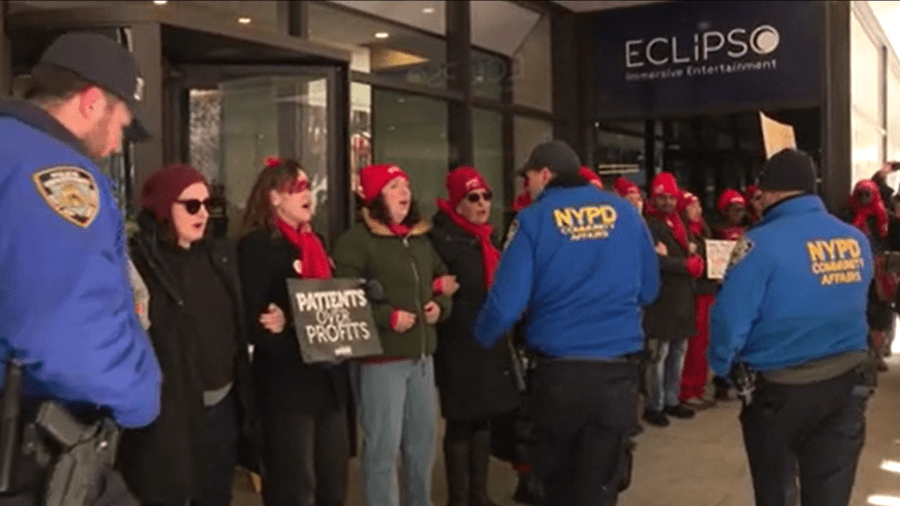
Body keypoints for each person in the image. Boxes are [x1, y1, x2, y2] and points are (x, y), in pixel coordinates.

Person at [0, 31, 162, 501]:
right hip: (28, 448)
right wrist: (140, 393)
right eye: (122, 123)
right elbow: (68, 328)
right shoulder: (54, 172)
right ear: (92, 102)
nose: (115, 145)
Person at [474, 140, 660, 506]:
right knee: (601, 484)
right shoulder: (626, 214)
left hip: (559, 378)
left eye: (528, 177)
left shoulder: (532, 220)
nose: (526, 186)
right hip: (618, 375)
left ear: (545, 175)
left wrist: (479, 339)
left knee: (559, 487)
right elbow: (650, 290)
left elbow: (505, 304)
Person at [709, 149, 874, 506]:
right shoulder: (855, 240)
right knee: (830, 489)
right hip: (847, 384)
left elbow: (729, 318)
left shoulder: (760, 244)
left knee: (777, 489)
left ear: (771, 191)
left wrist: (721, 366)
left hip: (781, 391)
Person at [119, 164, 258, 506]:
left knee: (215, 494)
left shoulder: (218, 255)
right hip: (171, 409)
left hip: (222, 405)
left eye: (207, 205)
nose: (203, 214)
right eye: (192, 205)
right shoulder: (140, 264)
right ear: (166, 208)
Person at [333, 164, 454, 506]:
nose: (404, 192)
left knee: (421, 445)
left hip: (421, 358)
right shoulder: (355, 243)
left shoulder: (418, 239)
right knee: (383, 449)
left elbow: (444, 280)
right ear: (374, 198)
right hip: (381, 360)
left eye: (405, 185)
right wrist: (387, 316)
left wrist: (438, 306)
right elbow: (343, 300)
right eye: (393, 186)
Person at [236, 158, 352, 506]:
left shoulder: (314, 243)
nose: (308, 195)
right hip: (287, 384)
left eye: (309, 188)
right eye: (297, 189)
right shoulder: (258, 246)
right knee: (294, 485)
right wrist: (287, 324)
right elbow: (253, 317)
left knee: (333, 481)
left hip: (328, 379)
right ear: (274, 198)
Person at [427, 166, 519, 506]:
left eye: (486, 196)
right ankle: (459, 497)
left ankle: (479, 494)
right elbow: (434, 282)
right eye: (473, 197)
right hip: (459, 341)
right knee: (461, 421)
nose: (482, 204)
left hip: (489, 338)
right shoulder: (441, 239)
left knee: (484, 419)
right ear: (457, 202)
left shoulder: (485, 236)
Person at [641, 172, 703, 427]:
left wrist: (691, 260)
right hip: (661, 299)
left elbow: (690, 248)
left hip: (682, 298)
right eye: (661, 197)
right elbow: (655, 259)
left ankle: (671, 399)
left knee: (678, 352)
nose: (667, 201)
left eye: (670, 196)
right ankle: (654, 405)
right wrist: (685, 264)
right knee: (659, 356)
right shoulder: (648, 225)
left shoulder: (680, 222)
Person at [677, 192, 717, 409]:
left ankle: (698, 386)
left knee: (703, 342)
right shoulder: (684, 233)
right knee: (694, 343)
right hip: (695, 292)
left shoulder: (703, 230)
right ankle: (687, 388)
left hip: (707, 288)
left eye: (698, 205)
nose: (697, 210)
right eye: (692, 206)